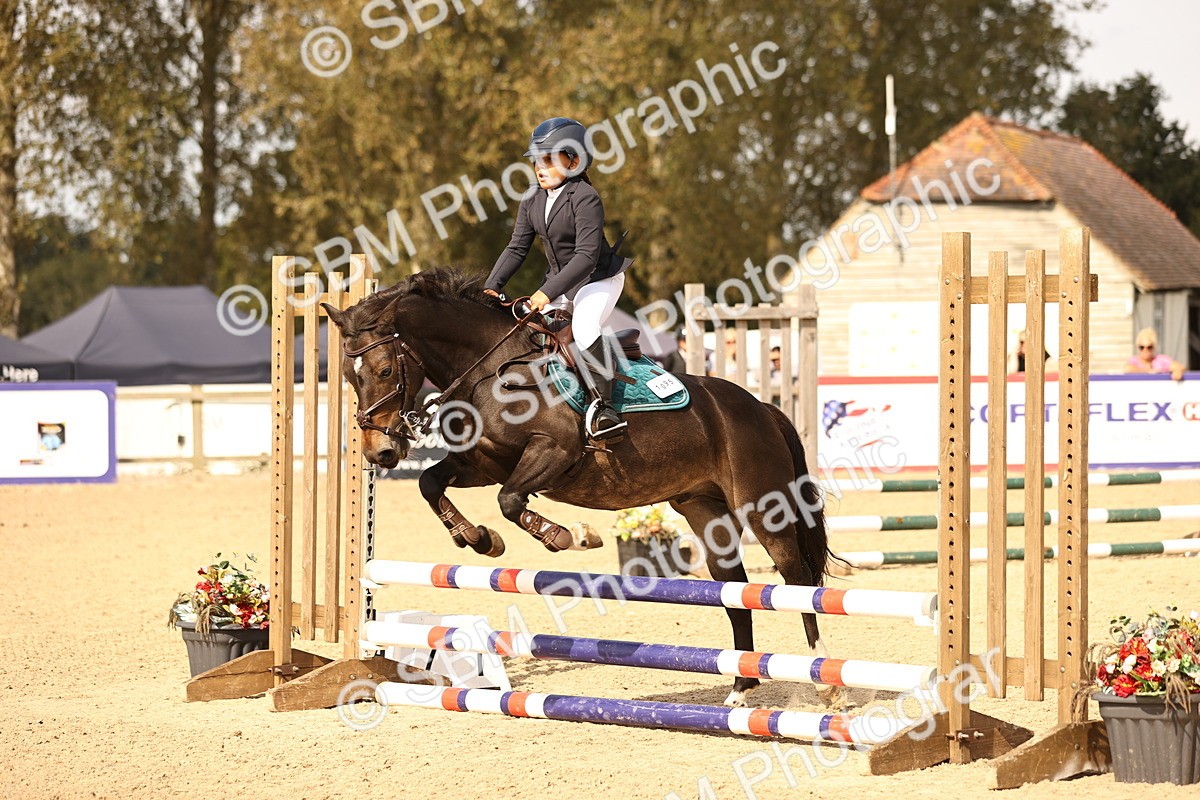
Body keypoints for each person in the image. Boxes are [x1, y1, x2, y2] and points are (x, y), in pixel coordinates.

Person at [484, 117, 634, 441]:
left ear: (574, 159)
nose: (540, 167)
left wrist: (544, 293)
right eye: (537, 160)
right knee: (526, 327)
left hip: (597, 279)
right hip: (562, 282)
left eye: (550, 159)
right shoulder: (532, 199)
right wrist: (491, 287)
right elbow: (516, 248)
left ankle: (606, 409)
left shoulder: (585, 197)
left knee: (583, 327)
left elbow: (586, 256)